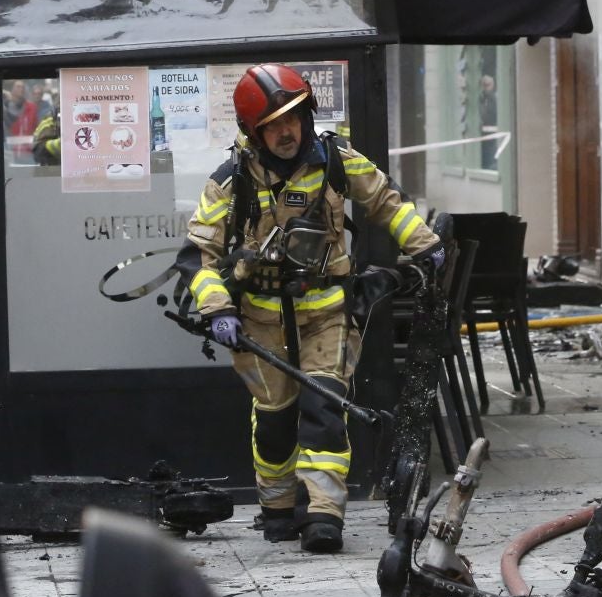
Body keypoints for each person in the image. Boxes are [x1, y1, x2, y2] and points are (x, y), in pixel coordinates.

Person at [181, 64, 443, 554]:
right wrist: (219, 307)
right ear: (253, 132)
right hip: (259, 321)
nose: (287, 131)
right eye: (274, 124)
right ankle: (278, 508)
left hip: (326, 311)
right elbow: (199, 256)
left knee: (325, 407)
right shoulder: (230, 181)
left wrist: (426, 245)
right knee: (276, 418)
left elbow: (385, 202)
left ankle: (324, 514)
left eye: (294, 118)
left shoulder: (335, 160)